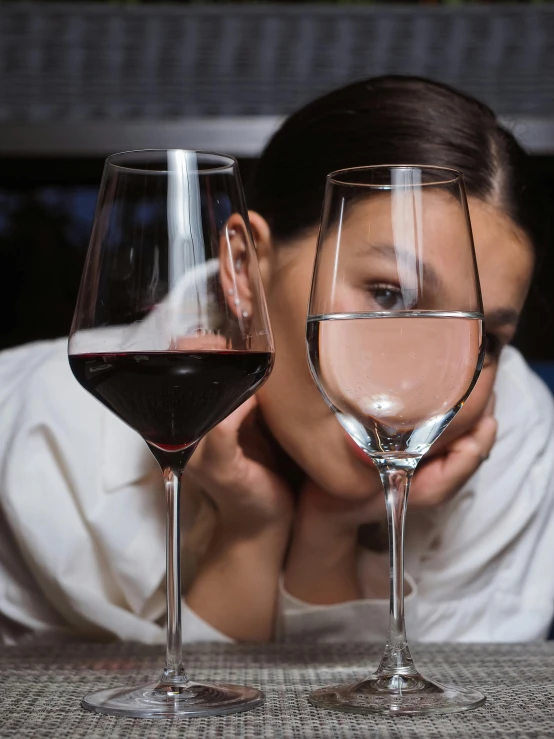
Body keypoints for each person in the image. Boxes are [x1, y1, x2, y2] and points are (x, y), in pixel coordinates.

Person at [1, 75, 553, 645]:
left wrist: (328, 535)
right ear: (245, 267)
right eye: (388, 295)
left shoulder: (520, 442)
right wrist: (252, 531)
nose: (424, 381)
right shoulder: (35, 438)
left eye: (483, 342)